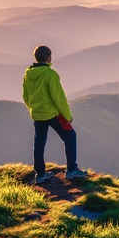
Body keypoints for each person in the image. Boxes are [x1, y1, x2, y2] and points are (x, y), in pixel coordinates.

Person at [22, 45, 87, 184]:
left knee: (39, 143)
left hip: (37, 114)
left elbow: (25, 96)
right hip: (52, 113)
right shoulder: (50, 74)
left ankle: (40, 175)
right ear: (49, 57)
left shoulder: (28, 75)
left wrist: (32, 110)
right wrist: (67, 116)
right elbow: (58, 98)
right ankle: (71, 170)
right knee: (70, 136)